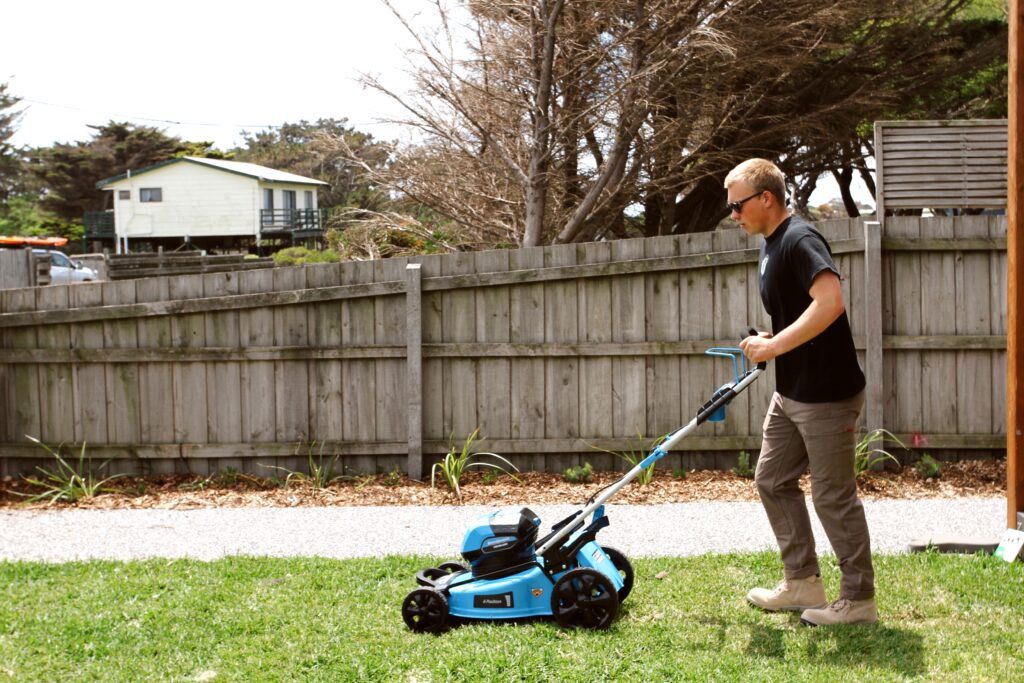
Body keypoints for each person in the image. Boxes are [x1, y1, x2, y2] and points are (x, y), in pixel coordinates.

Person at [728, 158, 876, 626]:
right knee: (771, 480)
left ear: (765, 198)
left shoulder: (799, 238)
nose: (733, 214)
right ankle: (802, 583)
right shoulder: (771, 244)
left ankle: (859, 600)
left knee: (833, 496)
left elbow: (830, 301)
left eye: (737, 205)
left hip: (827, 393)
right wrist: (772, 345)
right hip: (792, 391)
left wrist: (773, 343)